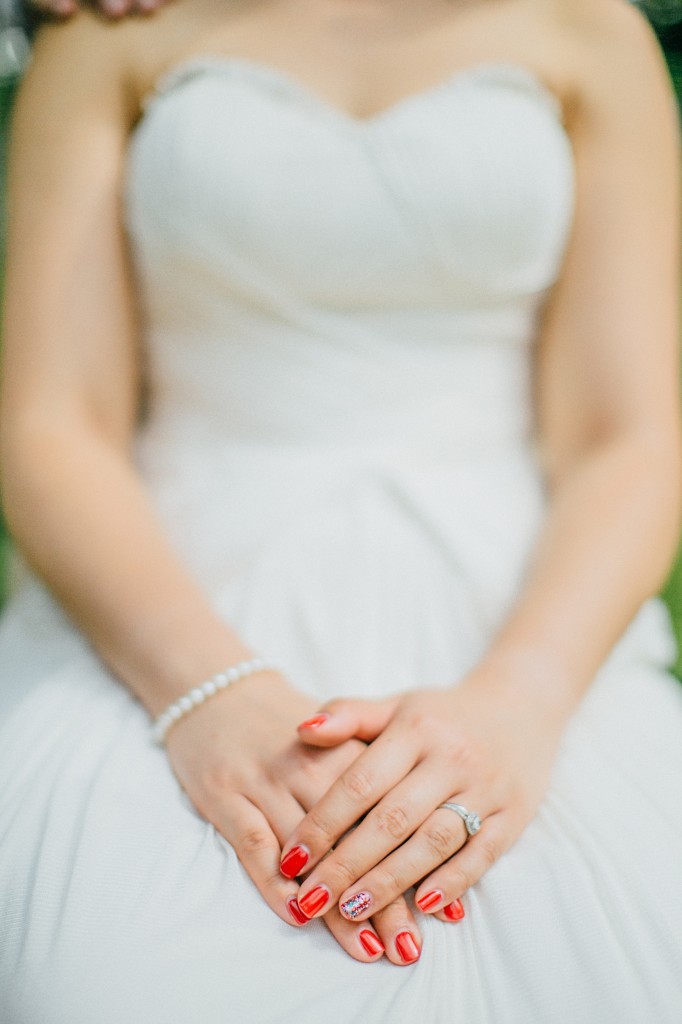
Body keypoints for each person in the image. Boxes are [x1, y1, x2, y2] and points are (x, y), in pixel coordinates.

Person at [1, 0, 682, 1020]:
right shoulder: (109, 26)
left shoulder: (592, 30)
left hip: (527, 608)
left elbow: (625, 438)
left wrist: (520, 705)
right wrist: (207, 695)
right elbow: (51, 421)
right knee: (103, 971)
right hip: (166, 590)